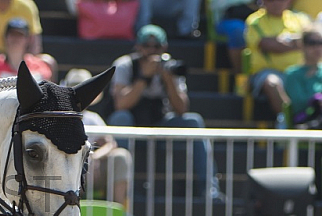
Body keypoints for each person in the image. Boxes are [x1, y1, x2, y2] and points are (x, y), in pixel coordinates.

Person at [108, 25, 218, 200]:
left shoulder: (171, 67)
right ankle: (125, 190)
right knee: (120, 117)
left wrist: (169, 80)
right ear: (138, 47)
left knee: (194, 121)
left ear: (164, 47)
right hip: (132, 122)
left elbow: (182, 108)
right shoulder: (125, 65)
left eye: (156, 47)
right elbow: (121, 104)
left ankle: (210, 190)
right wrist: (144, 77)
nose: (152, 51)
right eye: (147, 46)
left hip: (161, 120)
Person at [63, 69, 130, 205]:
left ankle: (119, 210)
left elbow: (110, 144)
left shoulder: (93, 118)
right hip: (69, 169)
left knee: (121, 157)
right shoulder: (60, 118)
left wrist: (94, 157)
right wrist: (82, 161)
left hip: (94, 170)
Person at [244, 0, 309, 120]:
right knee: (272, 82)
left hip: (298, 72)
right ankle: (288, 120)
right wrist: (296, 42)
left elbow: (311, 41)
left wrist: (282, 42)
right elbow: (269, 45)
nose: (277, 3)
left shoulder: (300, 19)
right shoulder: (254, 21)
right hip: (268, 72)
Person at [0, 18, 54, 82]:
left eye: (20, 35)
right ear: (5, 37)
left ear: (28, 39)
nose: (16, 38)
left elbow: (45, 81)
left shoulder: (38, 65)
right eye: (12, 34)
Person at [285, 25, 322, 128]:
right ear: (302, 45)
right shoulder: (293, 74)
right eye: (312, 43)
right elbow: (298, 103)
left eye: (321, 43)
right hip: (306, 121)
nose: (317, 48)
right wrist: (317, 100)